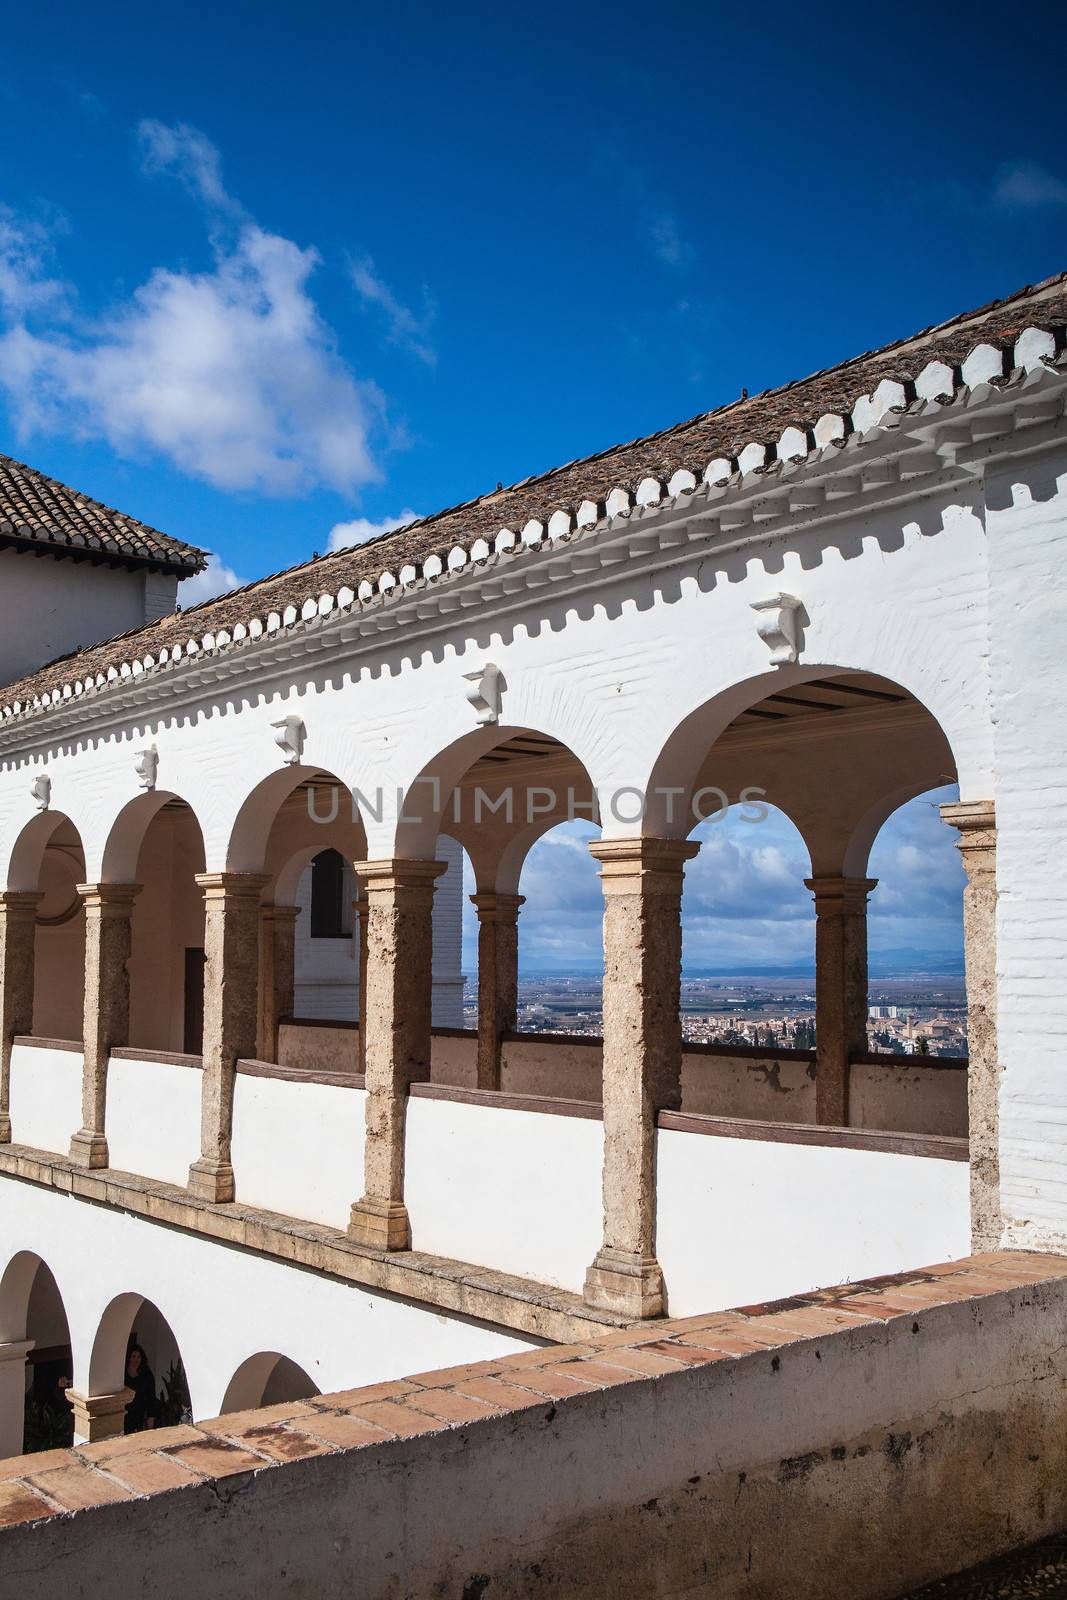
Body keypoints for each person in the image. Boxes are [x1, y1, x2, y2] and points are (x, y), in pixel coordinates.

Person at [123, 1344, 158, 1433]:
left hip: (140, 1416)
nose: (136, 1360)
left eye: (138, 1357)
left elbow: (151, 1399)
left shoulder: (147, 1375)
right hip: (124, 1416)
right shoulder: (122, 1374)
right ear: (129, 1358)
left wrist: (150, 1421)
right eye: (133, 1356)